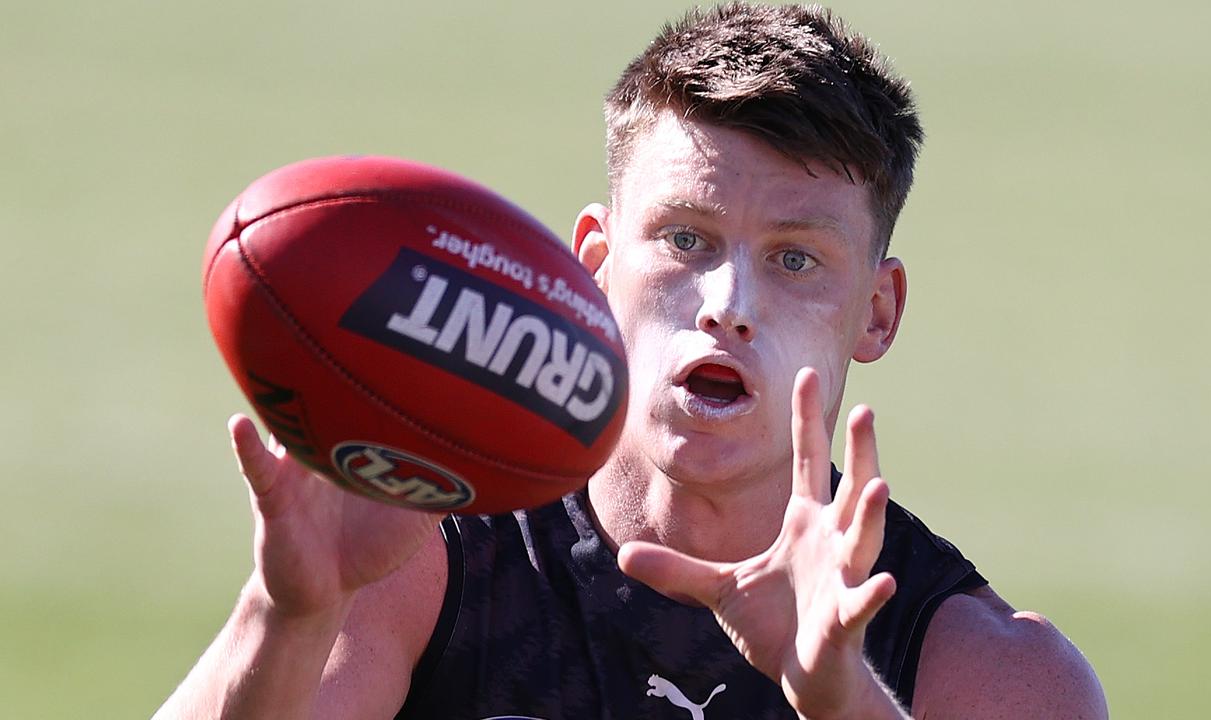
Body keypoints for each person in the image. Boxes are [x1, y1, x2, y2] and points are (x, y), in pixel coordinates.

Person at [156, 4, 1107, 718]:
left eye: (796, 257)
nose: (728, 305)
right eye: (686, 240)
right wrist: (288, 616)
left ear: (878, 310)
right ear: (595, 268)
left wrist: (843, 701)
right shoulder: (423, 554)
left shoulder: (989, 670)